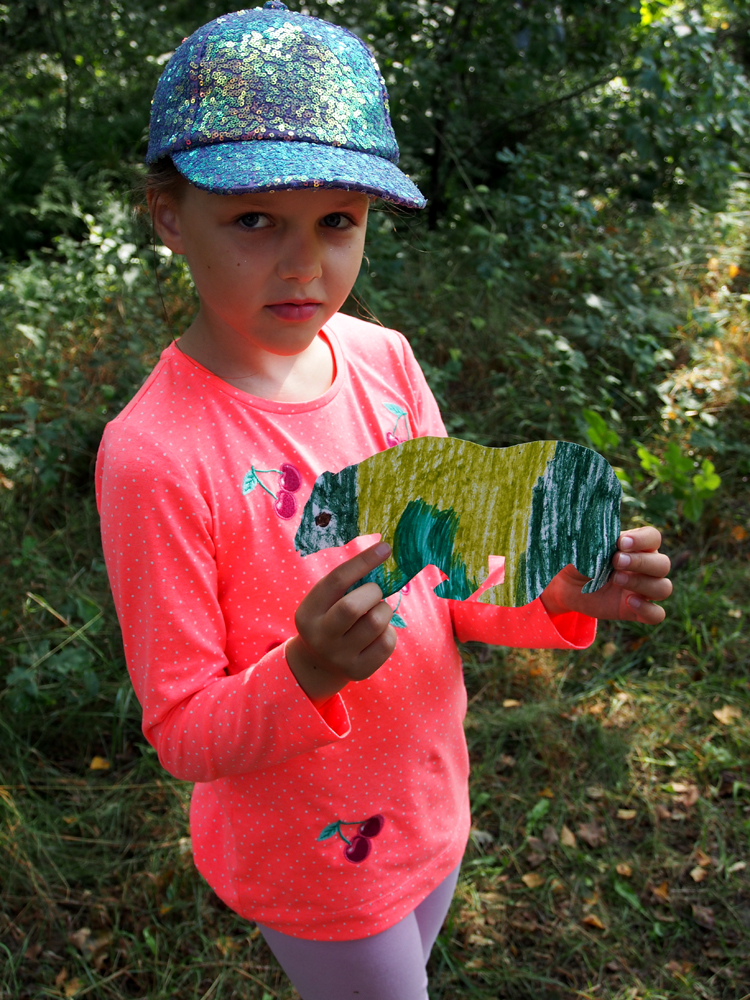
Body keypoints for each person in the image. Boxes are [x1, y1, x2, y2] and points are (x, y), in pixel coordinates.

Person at [95, 5, 672, 998]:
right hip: (314, 858)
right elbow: (183, 728)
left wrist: (562, 590)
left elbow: (458, 571)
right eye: (254, 220)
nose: (303, 262)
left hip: (428, 807)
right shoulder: (156, 454)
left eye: (338, 222)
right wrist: (307, 667)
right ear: (167, 217)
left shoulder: (385, 361)